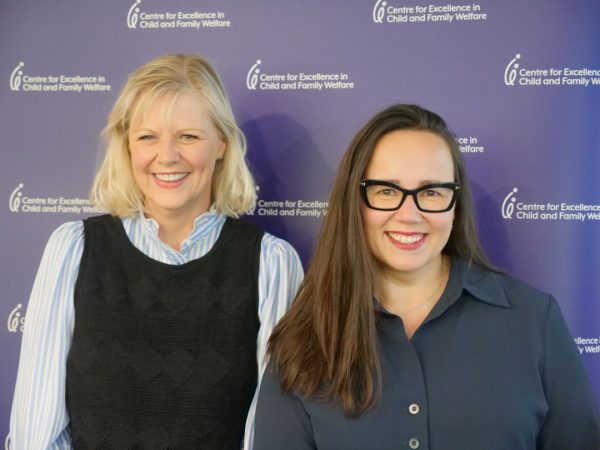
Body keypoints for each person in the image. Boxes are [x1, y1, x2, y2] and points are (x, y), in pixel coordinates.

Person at [253, 104, 600, 450]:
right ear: (355, 202)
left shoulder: (533, 321)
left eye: (431, 192)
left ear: (455, 205)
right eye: (386, 191)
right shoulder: (302, 340)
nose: (409, 214)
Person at [10, 54, 303, 449]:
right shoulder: (74, 250)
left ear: (221, 144)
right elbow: (35, 435)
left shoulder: (272, 265)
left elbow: (269, 434)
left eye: (188, 136)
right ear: (127, 147)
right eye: (147, 137)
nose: (167, 156)